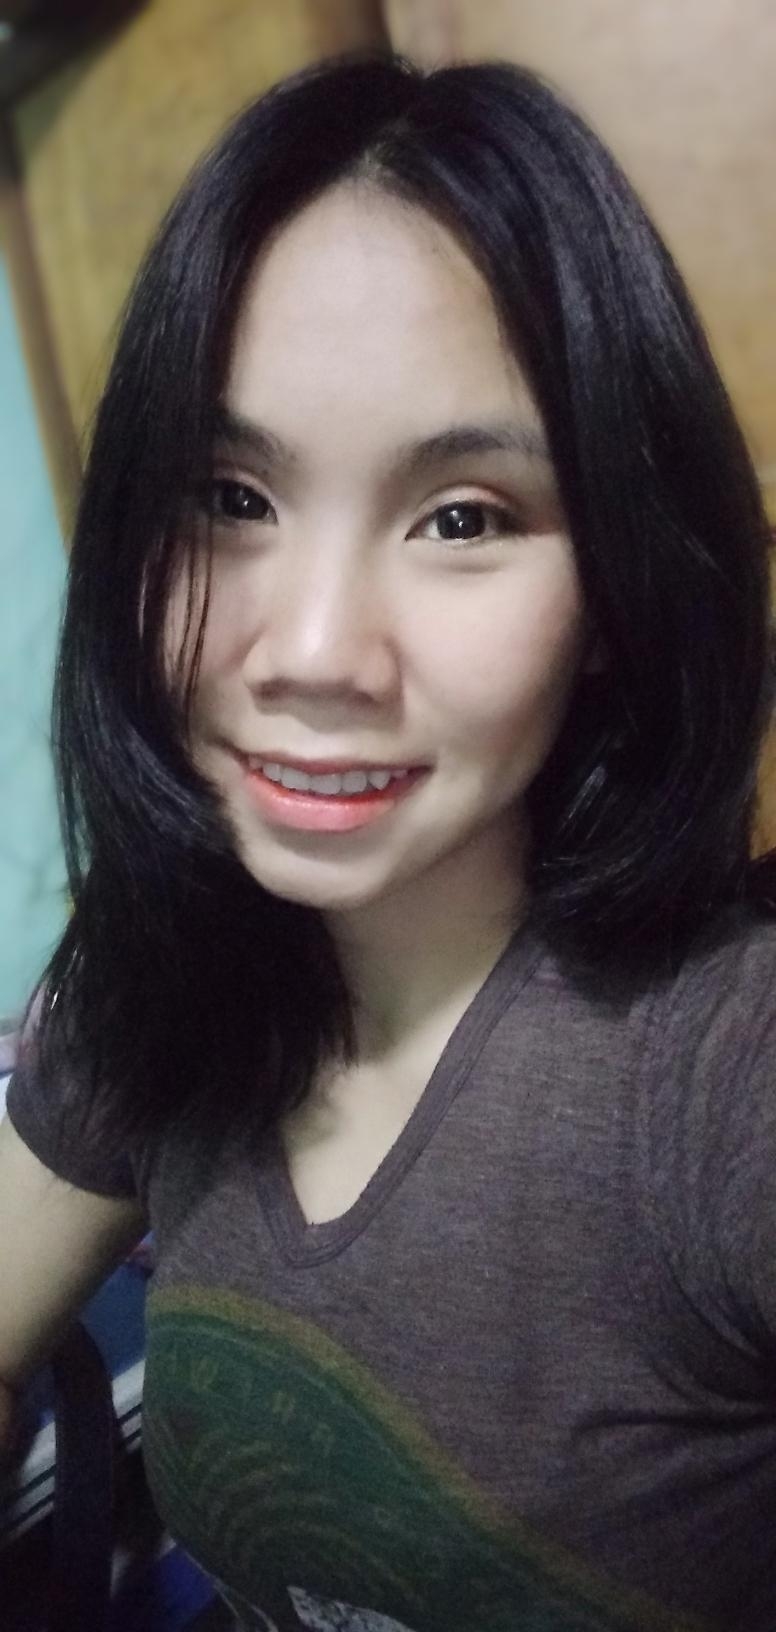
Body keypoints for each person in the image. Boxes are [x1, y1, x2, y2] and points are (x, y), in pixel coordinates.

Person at [1, 50, 775, 1632]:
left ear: (616, 592)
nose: (312, 654)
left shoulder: (723, 1080)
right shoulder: (159, 961)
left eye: (463, 517)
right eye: (230, 497)